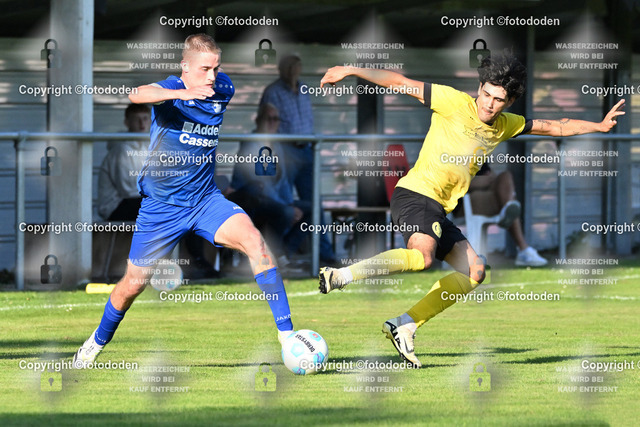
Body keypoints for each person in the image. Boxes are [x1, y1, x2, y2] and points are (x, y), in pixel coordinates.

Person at [317, 52, 624, 368]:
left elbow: (554, 126)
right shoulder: (452, 102)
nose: (489, 104)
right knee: (422, 257)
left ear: (509, 102)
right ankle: (341, 275)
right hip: (415, 193)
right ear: (479, 87)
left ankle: (405, 325)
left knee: (475, 271)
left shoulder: (506, 125)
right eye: (486, 94)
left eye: (498, 99)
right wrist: (350, 69)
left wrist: (599, 126)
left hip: (438, 208)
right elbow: (399, 82)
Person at [73, 34, 295, 368]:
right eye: (205, 69)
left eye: (216, 68)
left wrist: (202, 88)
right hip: (161, 207)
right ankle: (95, 343)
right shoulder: (171, 90)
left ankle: (288, 338)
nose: (212, 76)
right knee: (133, 284)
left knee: (255, 242)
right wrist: (180, 94)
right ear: (185, 67)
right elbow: (137, 94)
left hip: (205, 200)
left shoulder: (224, 88)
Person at [260, 54, 336, 263]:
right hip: (285, 150)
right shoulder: (273, 91)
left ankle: (325, 254)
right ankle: (281, 255)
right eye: (290, 67)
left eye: (297, 67)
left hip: (306, 150)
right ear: (282, 70)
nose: (294, 71)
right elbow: (266, 122)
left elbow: (308, 119)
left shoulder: (304, 89)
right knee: (284, 203)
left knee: (315, 204)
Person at [226, 103, 305, 268]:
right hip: (252, 200)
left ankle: (284, 254)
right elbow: (262, 184)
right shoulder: (252, 144)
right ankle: (275, 255)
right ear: (258, 120)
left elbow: (283, 182)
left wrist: (290, 203)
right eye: (268, 119)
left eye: (276, 119)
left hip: (272, 199)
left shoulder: (277, 145)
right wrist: (287, 208)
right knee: (285, 212)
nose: (272, 122)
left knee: (312, 209)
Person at [462, 162, 548, 267]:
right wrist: (475, 182)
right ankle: (523, 248)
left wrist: (489, 179)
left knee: (505, 176)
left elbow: (490, 174)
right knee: (509, 201)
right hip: (466, 200)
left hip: (488, 195)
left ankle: (507, 210)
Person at [97, 104, 150, 221]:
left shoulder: (147, 148)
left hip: (136, 202)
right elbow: (129, 191)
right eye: (136, 119)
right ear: (127, 123)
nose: (142, 123)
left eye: (145, 118)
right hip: (115, 207)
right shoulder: (121, 150)